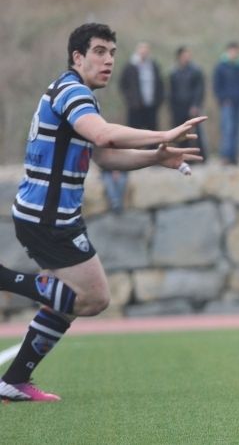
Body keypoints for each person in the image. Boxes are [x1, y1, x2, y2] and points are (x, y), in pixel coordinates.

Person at [0, 23, 204, 402]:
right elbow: (104, 136)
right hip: (48, 219)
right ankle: (6, 281)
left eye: (111, 52)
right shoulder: (72, 91)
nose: (108, 59)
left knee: (67, 301)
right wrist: (162, 135)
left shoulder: (78, 95)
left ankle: (13, 380)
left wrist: (156, 158)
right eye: (99, 51)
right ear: (77, 57)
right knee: (93, 298)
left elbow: (105, 155)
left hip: (49, 215)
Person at [213, 42, 239, 165]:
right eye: (232, 51)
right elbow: (217, 85)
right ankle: (225, 155)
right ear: (228, 51)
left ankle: (234, 156)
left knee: (237, 130)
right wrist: (222, 98)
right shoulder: (221, 66)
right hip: (227, 103)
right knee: (227, 129)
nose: (234, 53)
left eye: (236, 51)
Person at [169, 45, 206, 159]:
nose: (187, 58)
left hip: (191, 105)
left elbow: (199, 89)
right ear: (179, 57)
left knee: (197, 133)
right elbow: (171, 91)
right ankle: (183, 156)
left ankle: (201, 156)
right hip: (178, 106)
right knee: (180, 133)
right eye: (184, 55)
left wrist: (195, 105)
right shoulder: (174, 72)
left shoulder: (196, 71)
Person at [119, 41, 165, 131]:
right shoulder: (130, 66)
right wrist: (130, 99)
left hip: (151, 105)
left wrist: (159, 100)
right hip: (135, 106)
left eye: (146, 51)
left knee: (152, 132)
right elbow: (123, 84)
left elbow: (160, 84)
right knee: (135, 131)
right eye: (142, 51)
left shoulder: (153, 65)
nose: (144, 53)